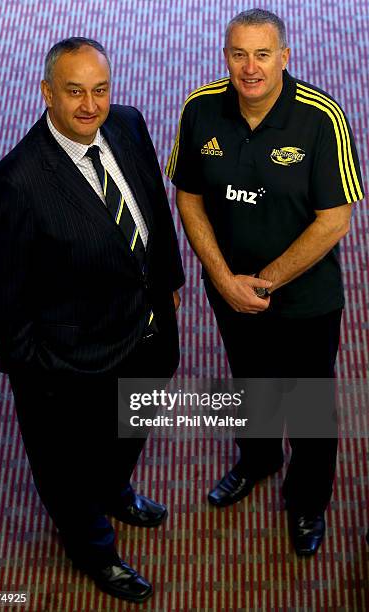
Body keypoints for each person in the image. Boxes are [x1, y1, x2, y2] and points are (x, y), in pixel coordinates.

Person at [0, 37, 184, 603]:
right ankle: (94, 548)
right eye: (74, 92)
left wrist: (169, 284)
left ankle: (115, 489)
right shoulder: (14, 187)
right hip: (71, 363)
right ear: (47, 94)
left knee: (132, 425)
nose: (91, 106)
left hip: (147, 332)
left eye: (100, 89)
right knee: (67, 470)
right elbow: (2, 295)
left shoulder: (128, 123)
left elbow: (152, 210)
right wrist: (34, 374)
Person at [166, 9, 364, 556]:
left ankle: (306, 501)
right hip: (229, 291)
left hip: (304, 299)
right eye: (238, 54)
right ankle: (257, 461)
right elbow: (188, 196)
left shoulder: (321, 118)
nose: (249, 68)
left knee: (307, 404)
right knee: (252, 386)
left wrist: (265, 282)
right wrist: (223, 278)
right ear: (225, 56)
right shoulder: (201, 109)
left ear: (284, 57)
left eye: (262, 54)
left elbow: (335, 219)